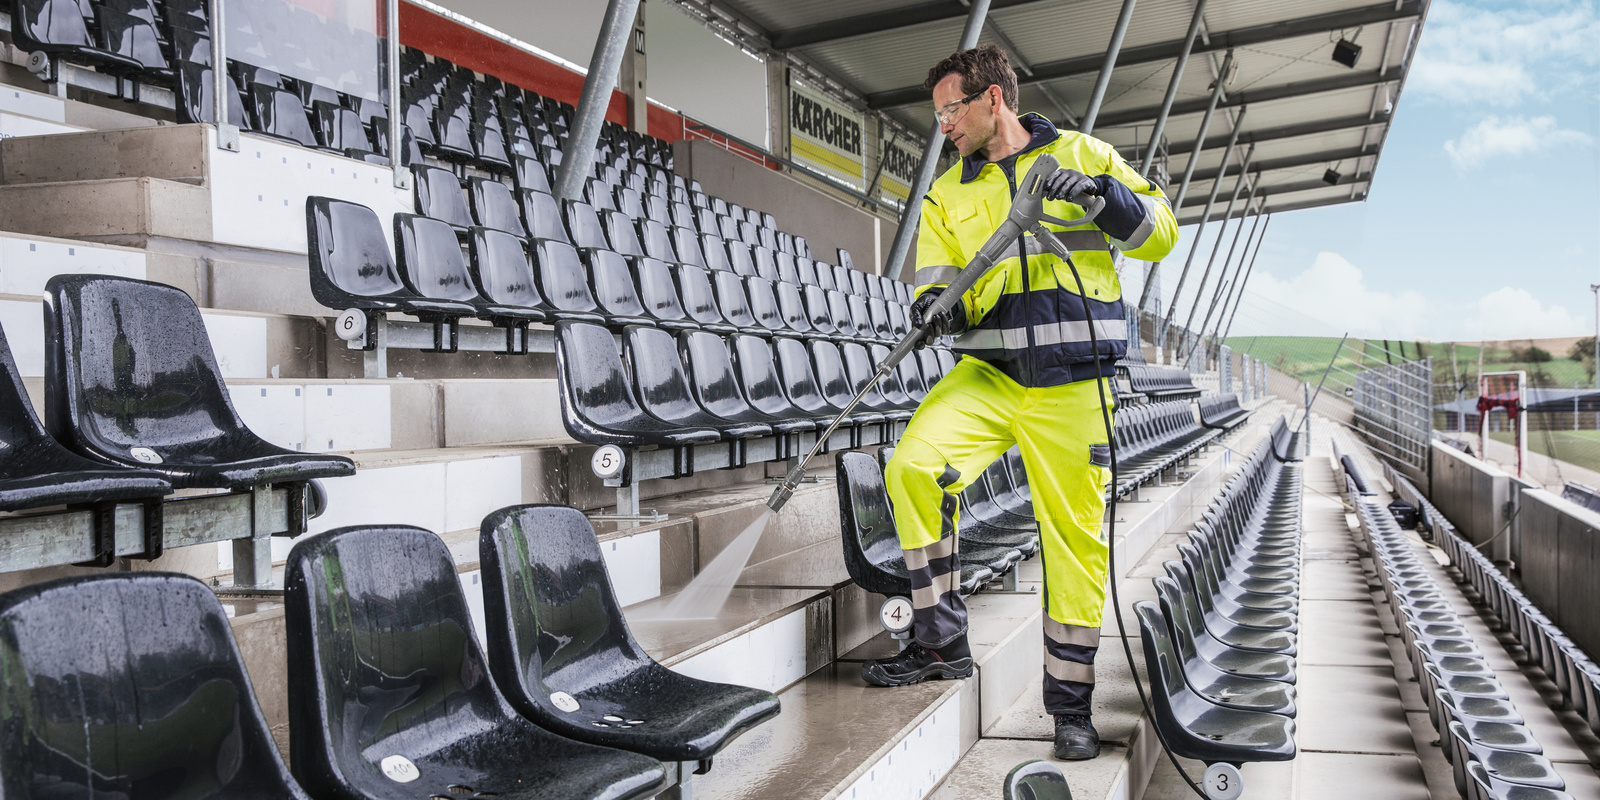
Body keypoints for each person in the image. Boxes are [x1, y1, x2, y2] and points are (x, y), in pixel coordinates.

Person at [858, 45, 1177, 762]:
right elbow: (935, 282)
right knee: (913, 466)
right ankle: (940, 644)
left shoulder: (1084, 154)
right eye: (937, 112)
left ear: (992, 99)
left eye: (951, 109)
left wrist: (1101, 197)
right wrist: (933, 308)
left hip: (1074, 386)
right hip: (991, 376)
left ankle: (1070, 709)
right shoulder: (950, 192)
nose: (943, 124)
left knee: (1074, 547)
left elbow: (1161, 233)